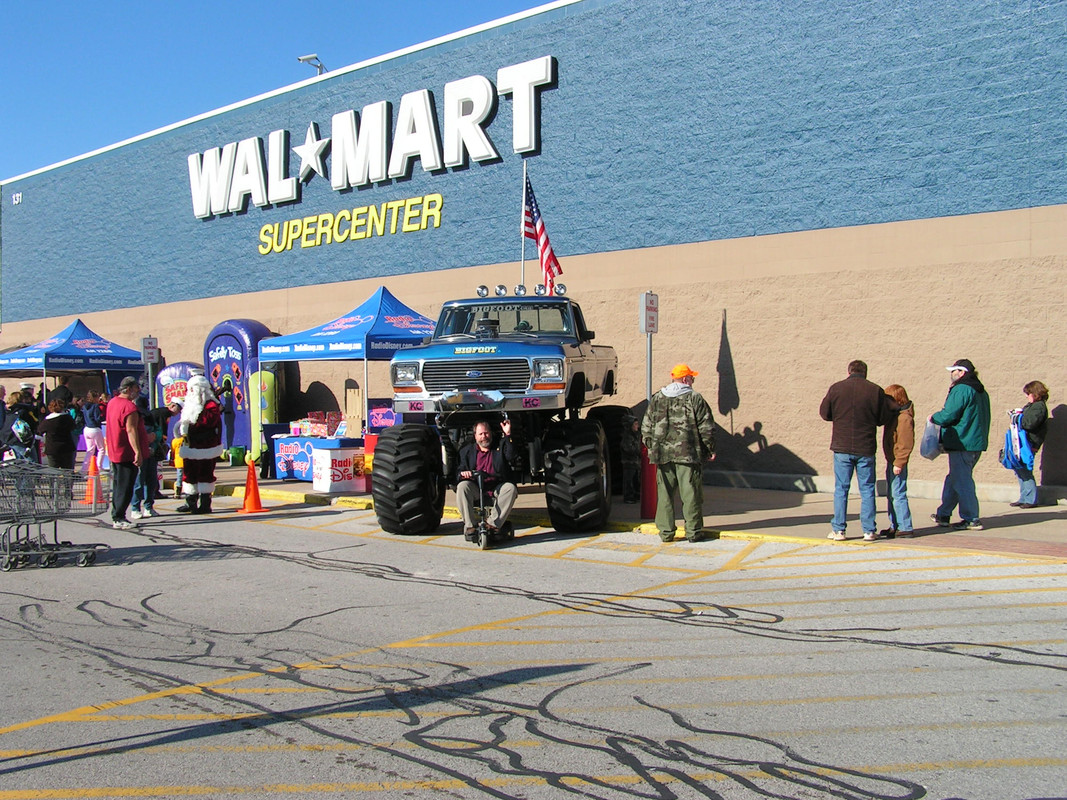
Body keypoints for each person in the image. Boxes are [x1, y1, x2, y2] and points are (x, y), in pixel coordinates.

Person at [641, 363, 716, 543]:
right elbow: (706, 427)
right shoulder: (695, 398)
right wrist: (709, 449)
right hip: (688, 454)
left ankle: (666, 532)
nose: (692, 381)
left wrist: (652, 447)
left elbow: (646, 426)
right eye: (691, 378)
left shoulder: (658, 398)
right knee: (691, 494)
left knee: (664, 494)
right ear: (685, 379)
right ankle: (693, 532)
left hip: (662, 454)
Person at [819, 360, 892, 542]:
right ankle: (869, 530)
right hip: (865, 446)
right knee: (867, 489)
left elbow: (825, 413)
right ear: (865, 372)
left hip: (842, 446)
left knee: (841, 489)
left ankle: (839, 530)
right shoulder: (875, 390)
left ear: (849, 371)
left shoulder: (836, 388)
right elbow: (882, 418)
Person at [930, 358, 991, 531]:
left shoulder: (962, 389)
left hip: (962, 442)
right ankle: (944, 513)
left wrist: (933, 418)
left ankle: (971, 518)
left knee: (962, 481)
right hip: (975, 443)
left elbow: (948, 415)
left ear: (962, 372)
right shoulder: (980, 391)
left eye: (954, 370)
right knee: (954, 478)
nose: (952, 374)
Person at [455, 419, 517, 538]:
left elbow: (511, 456)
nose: (484, 437)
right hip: (476, 486)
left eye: (486, 433)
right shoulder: (467, 451)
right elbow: (459, 471)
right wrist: (463, 474)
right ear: (475, 436)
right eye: (481, 434)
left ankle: (492, 524)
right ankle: (470, 526)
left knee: (510, 488)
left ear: (491, 433)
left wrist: (508, 434)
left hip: (496, 486)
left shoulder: (500, 446)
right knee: (462, 487)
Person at [105, 376, 149, 530]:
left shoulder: (112, 402)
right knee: (125, 486)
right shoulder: (129, 407)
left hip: (115, 450)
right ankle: (119, 517)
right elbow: (131, 430)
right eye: (136, 388)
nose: (138, 390)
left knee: (118, 484)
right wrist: (137, 451)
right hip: (126, 452)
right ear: (129, 389)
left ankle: (116, 514)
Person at [176, 375, 224, 514]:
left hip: (206, 446)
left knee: (205, 474)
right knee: (189, 474)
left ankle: (205, 504)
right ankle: (190, 502)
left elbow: (207, 423)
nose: (190, 392)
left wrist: (189, 426)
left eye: (193, 389)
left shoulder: (211, 405)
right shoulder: (189, 405)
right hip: (190, 445)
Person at [130, 398, 181, 519]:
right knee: (139, 482)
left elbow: (158, 431)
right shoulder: (133, 417)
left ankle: (148, 507)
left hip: (151, 453)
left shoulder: (149, 416)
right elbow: (131, 433)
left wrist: (155, 436)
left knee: (151, 481)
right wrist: (144, 439)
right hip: (140, 453)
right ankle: (135, 508)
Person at [881, 384, 915, 538]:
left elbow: (905, 443)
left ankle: (905, 526)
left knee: (898, 493)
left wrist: (899, 462)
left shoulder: (904, 418)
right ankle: (894, 524)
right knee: (891, 494)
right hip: (892, 459)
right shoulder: (895, 415)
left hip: (897, 461)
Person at [1010, 380, 1049, 508]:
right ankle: (1024, 497)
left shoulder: (1039, 407)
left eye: (1028, 393)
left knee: (1025, 470)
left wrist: (1019, 417)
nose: (1027, 396)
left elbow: (1030, 423)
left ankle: (1030, 499)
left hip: (1030, 442)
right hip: (1024, 441)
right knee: (1019, 469)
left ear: (1035, 393)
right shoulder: (1032, 406)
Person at [37, 398, 77, 469]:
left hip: (52, 448)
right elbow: (73, 427)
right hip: (66, 447)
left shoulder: (47, 420)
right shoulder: (67, 418)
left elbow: (39, 430)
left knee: (54, 471)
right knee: (67, 471)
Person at [1, 390, 39, 460]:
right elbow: (33, 422)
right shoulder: (23, 411)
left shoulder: (9, 411)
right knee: (32, 460)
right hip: (19, 439)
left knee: (19, 460)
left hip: (7, 437)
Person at [81, 390, 106, 473]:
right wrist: (103, 418)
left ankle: (84, 469)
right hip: (95, 429)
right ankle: (99, 467)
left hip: (87, 428)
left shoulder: (84, 406)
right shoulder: (95, 406)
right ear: (95, 398)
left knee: (90, 450)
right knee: (101, 449)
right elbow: (97, 418)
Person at [620, 412, 642, 504]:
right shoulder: (627, 437)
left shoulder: (636, 435)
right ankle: (628, 496)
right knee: (629, 480)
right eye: (635, 424)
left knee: (636, 480)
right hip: (629, 462)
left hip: (635, 462)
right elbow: (628, 448)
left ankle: (636, 494)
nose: (637, 426)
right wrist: (638, 452)